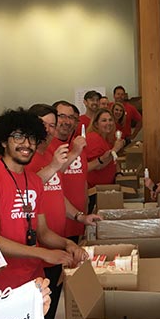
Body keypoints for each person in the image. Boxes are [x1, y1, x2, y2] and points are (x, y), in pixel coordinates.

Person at [0, 108, 88, 296]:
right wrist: (43, 253)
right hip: (2, 282)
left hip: (35, 277)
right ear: (3, 141)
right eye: (18, 137)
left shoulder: (33, 181)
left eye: (32, 138)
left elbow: (43, 232)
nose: (26, 144)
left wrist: (67, 244)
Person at [27, 103, 99, 319]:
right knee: (42, 313)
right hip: (41, 250)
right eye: (44, 125)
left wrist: (80, 216)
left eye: (52, 125)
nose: (48, 130)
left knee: (55, 306)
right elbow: (29, 187)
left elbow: (57, 193)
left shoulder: (49, 154)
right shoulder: (28, 160)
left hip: (57, 242)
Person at [50, 100, 89, 241]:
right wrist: (74, 152)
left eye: (71, 117)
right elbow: (50, 176)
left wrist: (84, 215)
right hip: (54, 224)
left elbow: (83, 181)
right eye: (62, 116)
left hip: (77, 219)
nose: (67, 121)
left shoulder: (77, 144)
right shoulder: (45, 147)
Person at [85, 108, 125, 189]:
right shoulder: (93, 138)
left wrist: (118, 173)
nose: (108, 123)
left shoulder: (107, 139)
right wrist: (115, 149)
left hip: (107, 187)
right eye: (104, 120)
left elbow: (113, 160)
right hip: (95, 189)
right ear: (96, 124)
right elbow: (97, 165)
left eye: (110, 120)